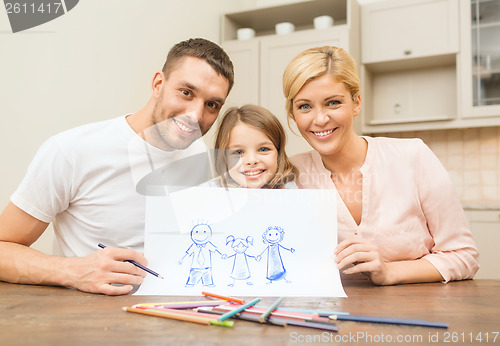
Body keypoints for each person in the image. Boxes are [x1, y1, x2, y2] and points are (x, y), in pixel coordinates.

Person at [0, 38, 234, 295]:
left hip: (176, 317)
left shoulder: (200, 155)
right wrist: (74, 271)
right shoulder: (71, 151)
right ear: (158, 83)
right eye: (186, 92)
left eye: (211, 104)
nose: (196, 115)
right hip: (90, 323)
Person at [282, 45, 479, 285]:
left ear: (356, 103)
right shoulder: (288, 175)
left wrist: (389, 272)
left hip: (418, 313)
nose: (320, 119)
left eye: (333, 103)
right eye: (304, 106)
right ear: (293, 114)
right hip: (332, 317)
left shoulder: (413, 157)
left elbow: (464, 256)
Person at [210, 104, 297, 189]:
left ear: (278, 153)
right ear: (224, 158)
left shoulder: (289, 192)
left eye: (263, 149)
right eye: (239, 152)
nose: (251, 160)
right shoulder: (208, 192)